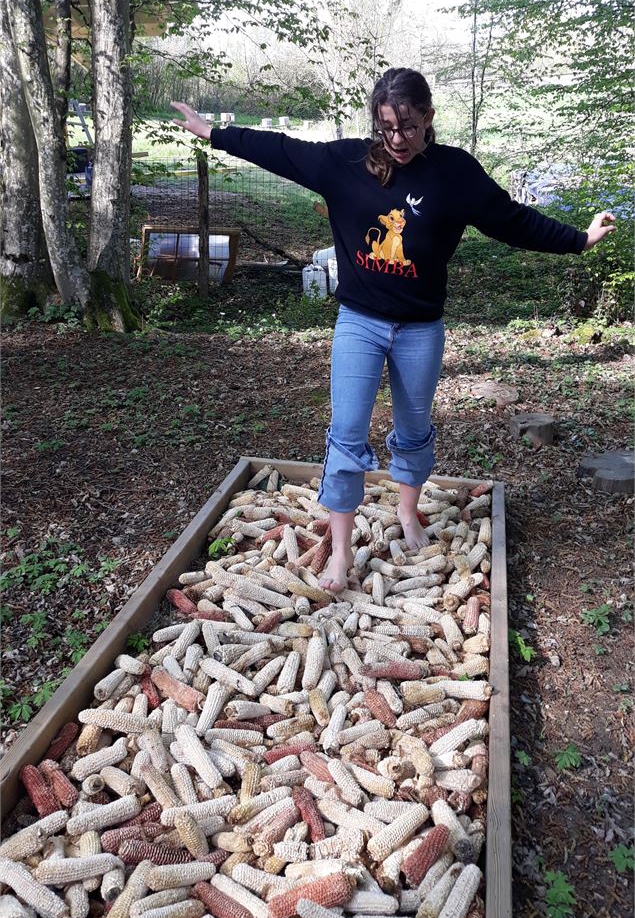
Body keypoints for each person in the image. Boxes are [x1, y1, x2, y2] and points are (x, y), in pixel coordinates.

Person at [172, 67, 615, 592]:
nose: (398, 139)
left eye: (407, 127)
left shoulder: (455, 173)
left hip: (420, 330)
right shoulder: (346, 164)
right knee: (346, 433)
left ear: (428, 117)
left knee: (414, 429)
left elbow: (512, 219)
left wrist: (579, 239)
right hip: (359, 323)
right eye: (386, 128)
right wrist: (213, 132)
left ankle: (407, 510)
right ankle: (340, 550)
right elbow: (282, 150)